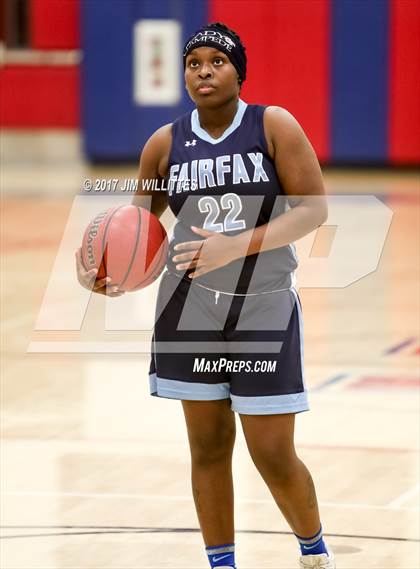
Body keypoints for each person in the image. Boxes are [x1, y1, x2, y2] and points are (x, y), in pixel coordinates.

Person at [76, 22, 335, 569]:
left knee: (271, 452)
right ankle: (222, 563)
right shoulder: (164, 144)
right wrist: (103, 271)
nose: (204, 72)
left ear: (239, 70)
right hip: (189, 307)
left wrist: (236, 247)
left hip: (262, 302)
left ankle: (315, 553)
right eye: (194, 64)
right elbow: (138, 229)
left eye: (217, 61)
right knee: (209, 448)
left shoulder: (274, 126)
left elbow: (314, 209)